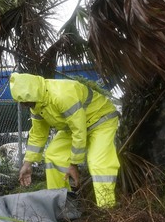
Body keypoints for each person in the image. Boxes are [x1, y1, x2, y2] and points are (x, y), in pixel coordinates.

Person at [9, 72, 119, 207]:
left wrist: (73, 164)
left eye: (26, 102)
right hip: (74, 127)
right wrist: (27, 163)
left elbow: (79, 130)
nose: (25, 106)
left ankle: (107, 210)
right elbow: (38, 135)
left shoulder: (61, 95)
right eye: (22, 103)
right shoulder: (36, 105)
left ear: (34, 93)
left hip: (101, 120)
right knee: (53, 155)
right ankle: (62, 205)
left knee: (98, 162)